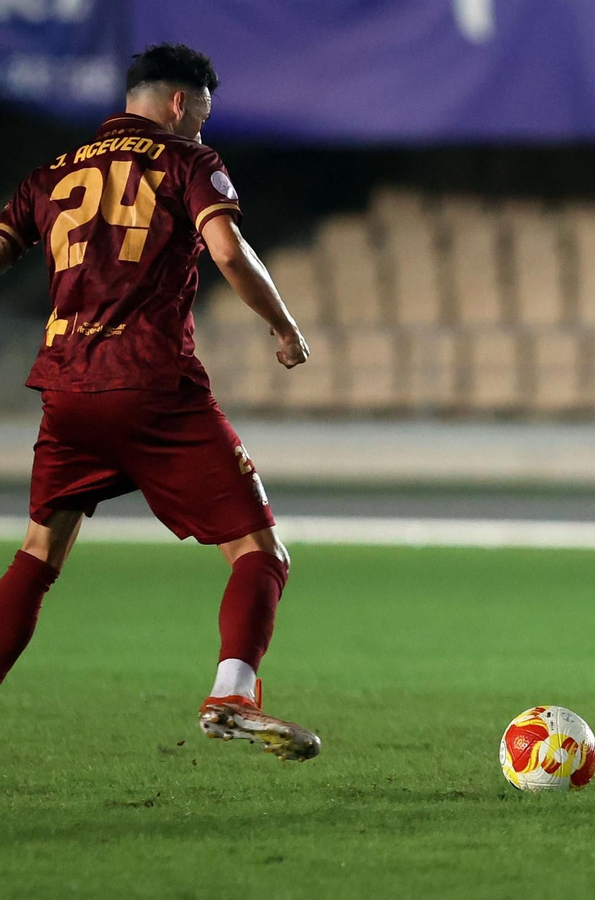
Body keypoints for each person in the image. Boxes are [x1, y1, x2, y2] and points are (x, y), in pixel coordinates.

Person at [0, 44, 319, 760]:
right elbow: (229, 252)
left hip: (66, 389)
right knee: (259, 550)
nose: (205, 127)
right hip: (151, 385)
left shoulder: (53, 172)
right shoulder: (188, 162)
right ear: (181, 102)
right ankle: (233, 693)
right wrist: (285, 326)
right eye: (203, 113)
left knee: (38, 555)